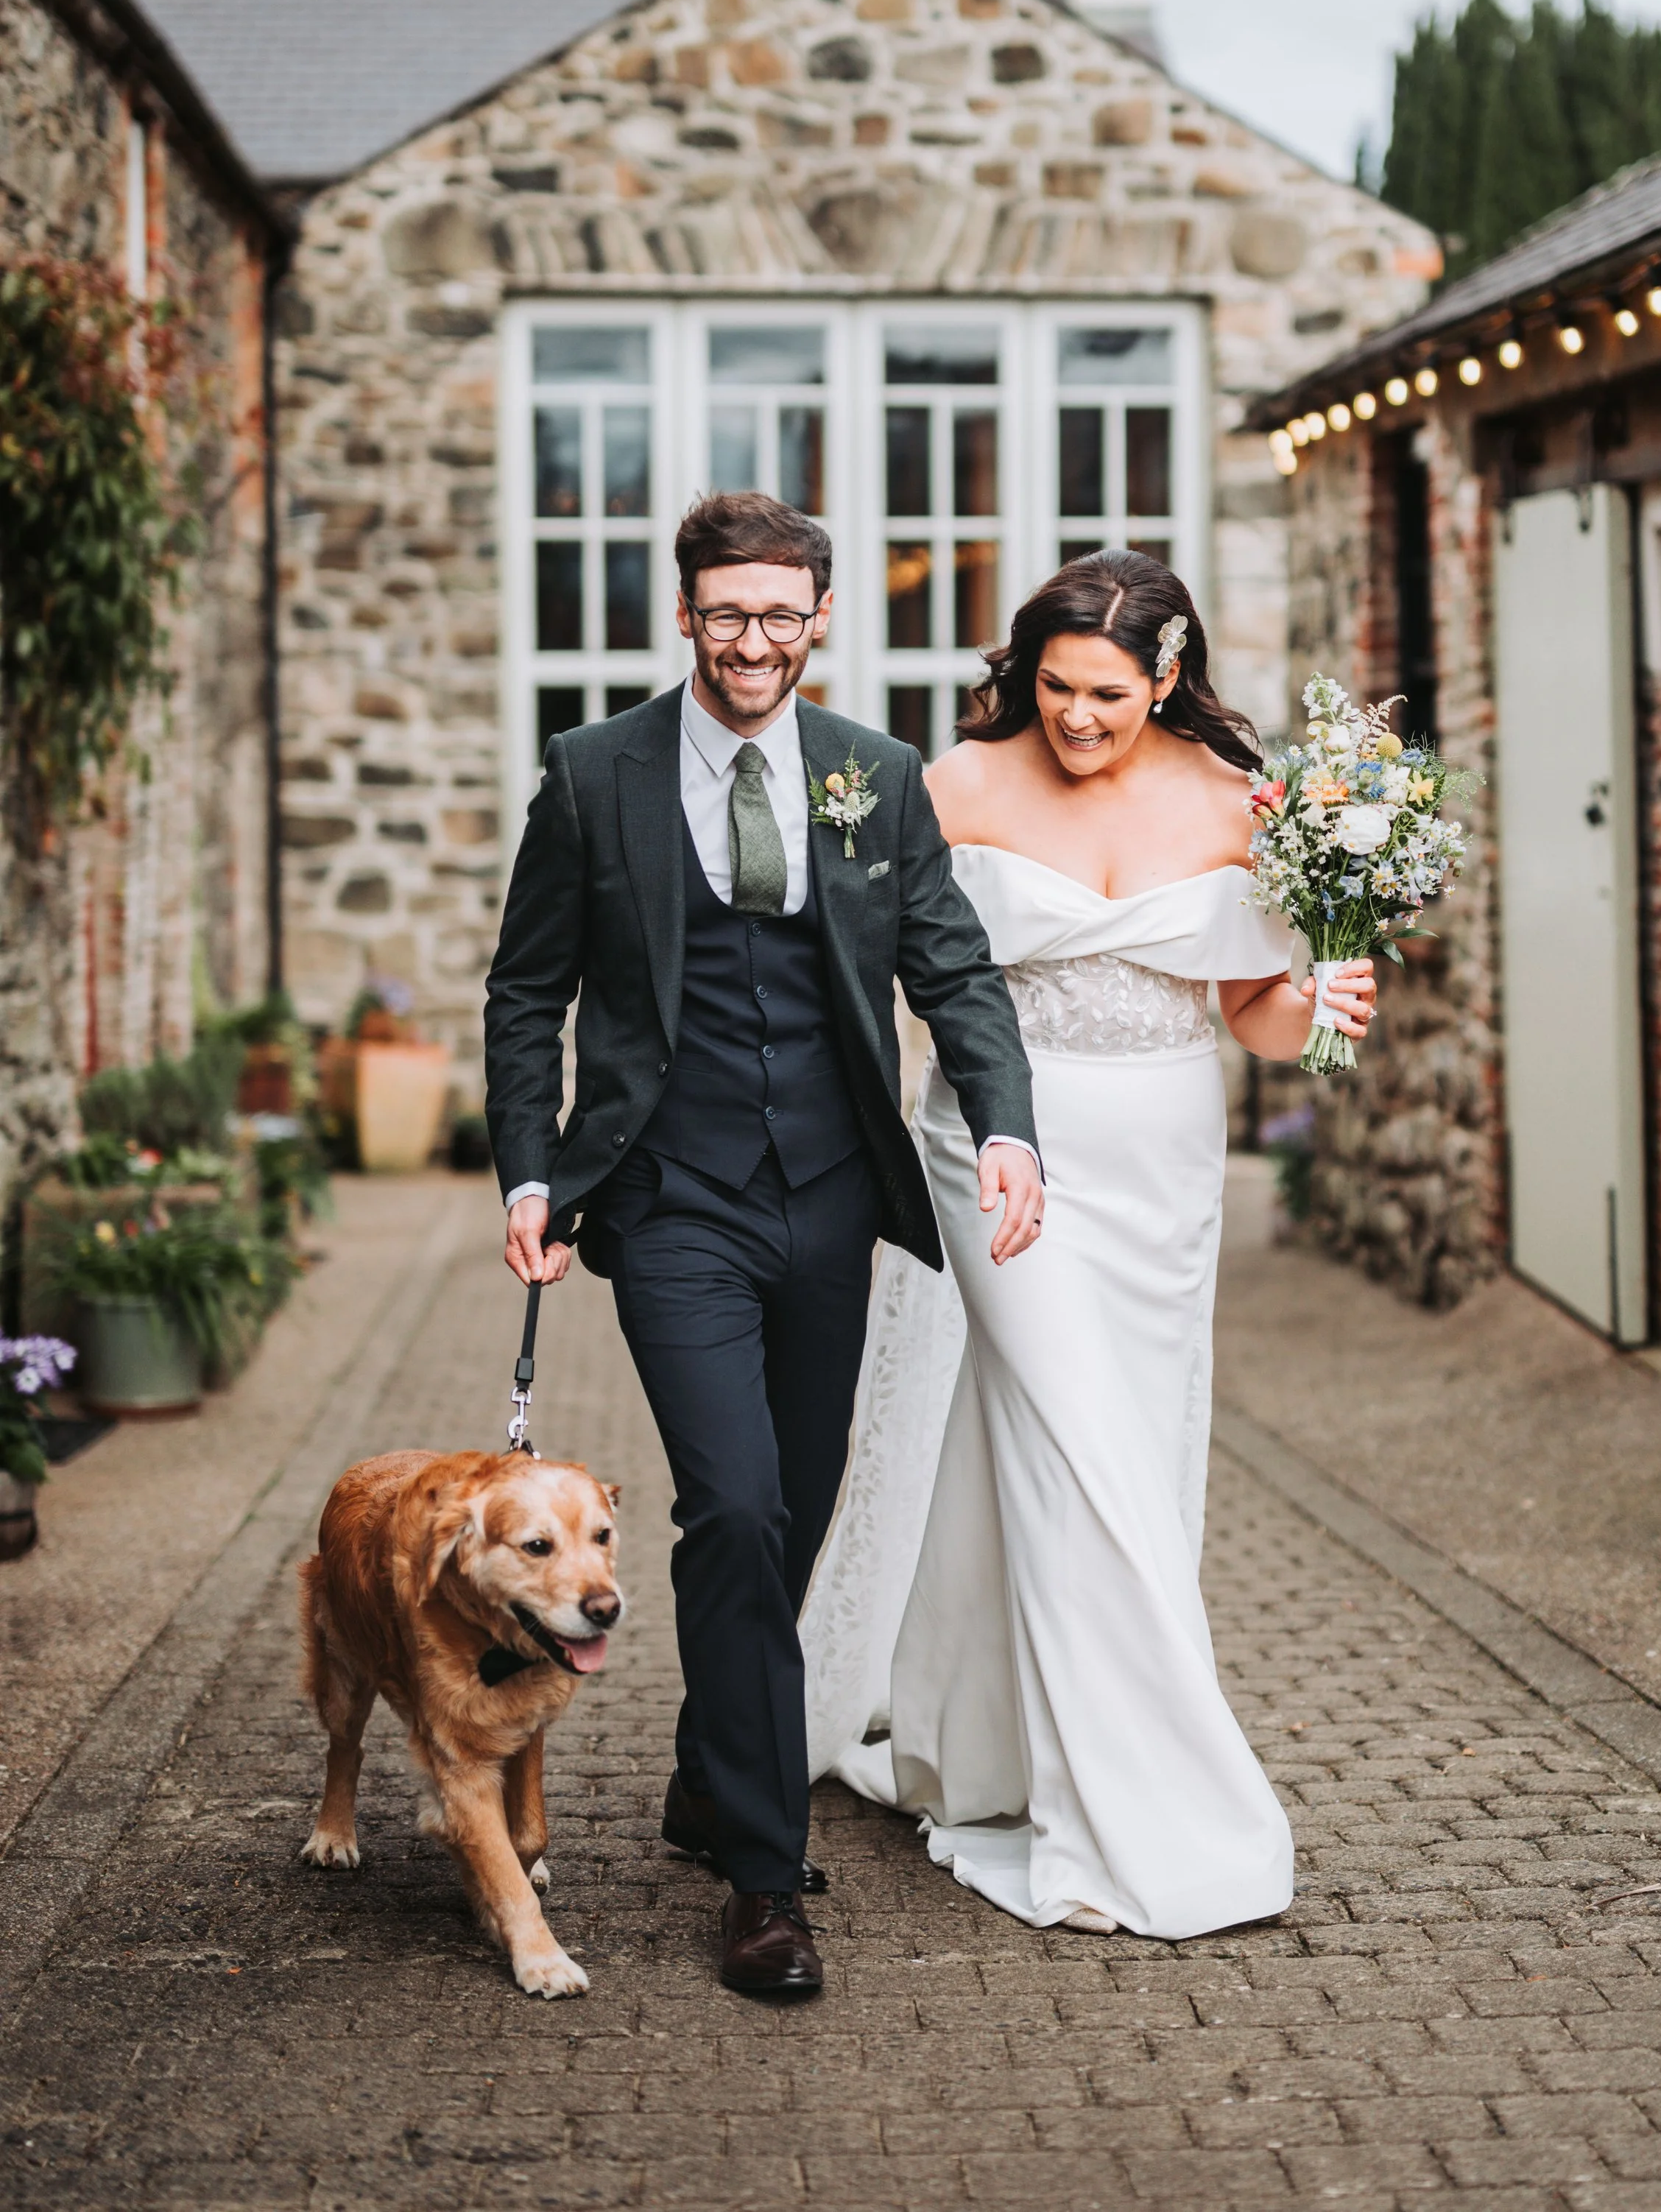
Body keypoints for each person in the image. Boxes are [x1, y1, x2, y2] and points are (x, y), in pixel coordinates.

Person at [482, 490, 1043, 1998]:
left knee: (791, 1506)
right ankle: (757, 1875)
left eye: (778, 615)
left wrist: (1003, 1126)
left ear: (818, 621)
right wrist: (528, 1173)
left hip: (831, 1200)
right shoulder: (593, 776)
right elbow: (526, 991)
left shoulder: (875, 775)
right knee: (728, 1508)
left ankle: (705, 1760)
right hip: (670, 1200)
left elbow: (954, 970)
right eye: (724, 612)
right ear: (685, 616)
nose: (750, 640)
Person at [801, 549, 1376, 1939]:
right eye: (1056, 688)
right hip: (999, 1155)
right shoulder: (956, 785)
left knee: (1110, 1443)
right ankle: (1142, 1794)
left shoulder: (1247, 803)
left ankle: (980, 1745)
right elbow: (864, 973)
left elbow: (1249, 1008)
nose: (1078, 718)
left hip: (1166, 1166)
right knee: (1075, 1445)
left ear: (1166, 677)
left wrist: (1325, 1004)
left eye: (1109, 694)